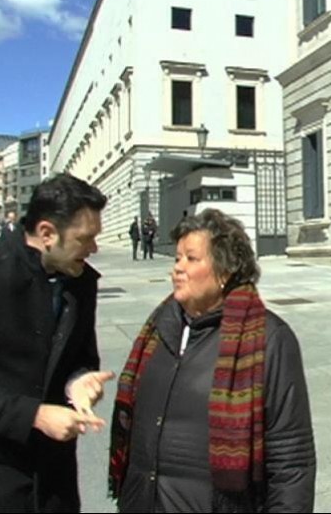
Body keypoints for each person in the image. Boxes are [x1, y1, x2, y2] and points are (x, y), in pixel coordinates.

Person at [0, 173, 116, 513]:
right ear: (47, 233)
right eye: (85, 238)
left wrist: (80, 381)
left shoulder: (81, 281)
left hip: (55, 475)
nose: (93, 249)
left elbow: (81, 356)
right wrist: (34, 415)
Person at [108, 208, 316, 512]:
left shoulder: (268, 338)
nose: (178, 268)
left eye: (192, 259)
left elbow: (291, 459)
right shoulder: (158, 327)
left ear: (225, 271)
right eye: (177, 258)